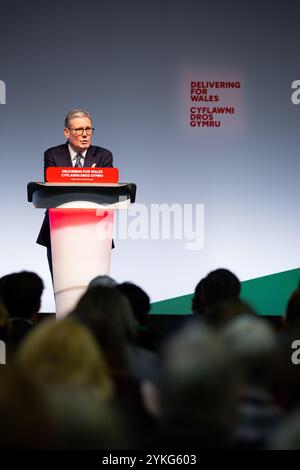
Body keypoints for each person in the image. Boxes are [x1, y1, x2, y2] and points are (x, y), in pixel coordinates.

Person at [36, 109, 113, 274]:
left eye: (88, 129)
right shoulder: (53, 155)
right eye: (79, 129)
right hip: (59, 229)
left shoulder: (103, 156)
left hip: (95, 230)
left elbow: (107, 194)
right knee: (63, 283)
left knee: (94, 287)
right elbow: (53, 189)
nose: (85, 134)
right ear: (67, 132)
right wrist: (88, 178)